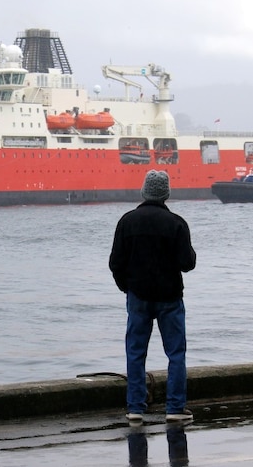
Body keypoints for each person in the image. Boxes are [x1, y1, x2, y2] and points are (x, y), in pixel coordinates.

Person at [109, 169, 197, 424]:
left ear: (144, 191)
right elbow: (187, 263)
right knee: (176, 353)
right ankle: (175, 408)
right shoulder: (177, 223)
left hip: (138, 296)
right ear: (166, 194)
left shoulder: (127, 221)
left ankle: (135, 408)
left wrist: (127, 287)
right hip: (170, 297)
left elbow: (116, 262)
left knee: (136, 352)